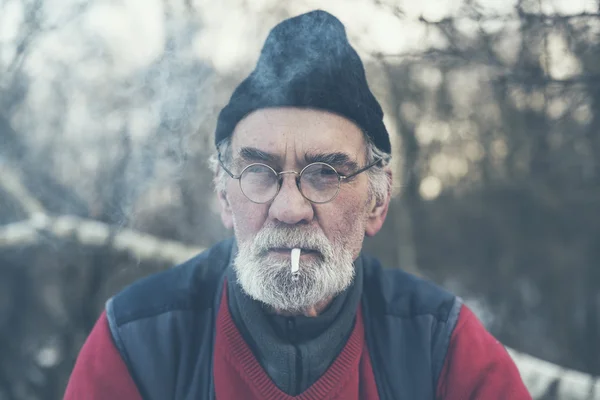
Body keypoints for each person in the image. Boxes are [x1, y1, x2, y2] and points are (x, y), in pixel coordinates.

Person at [64, 10, 532, 400]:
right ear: (225, 196)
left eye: (326, 173)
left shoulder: (440, 348)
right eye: (259, 172)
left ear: (378, 200)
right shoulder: (139, 341)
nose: (290, 209)